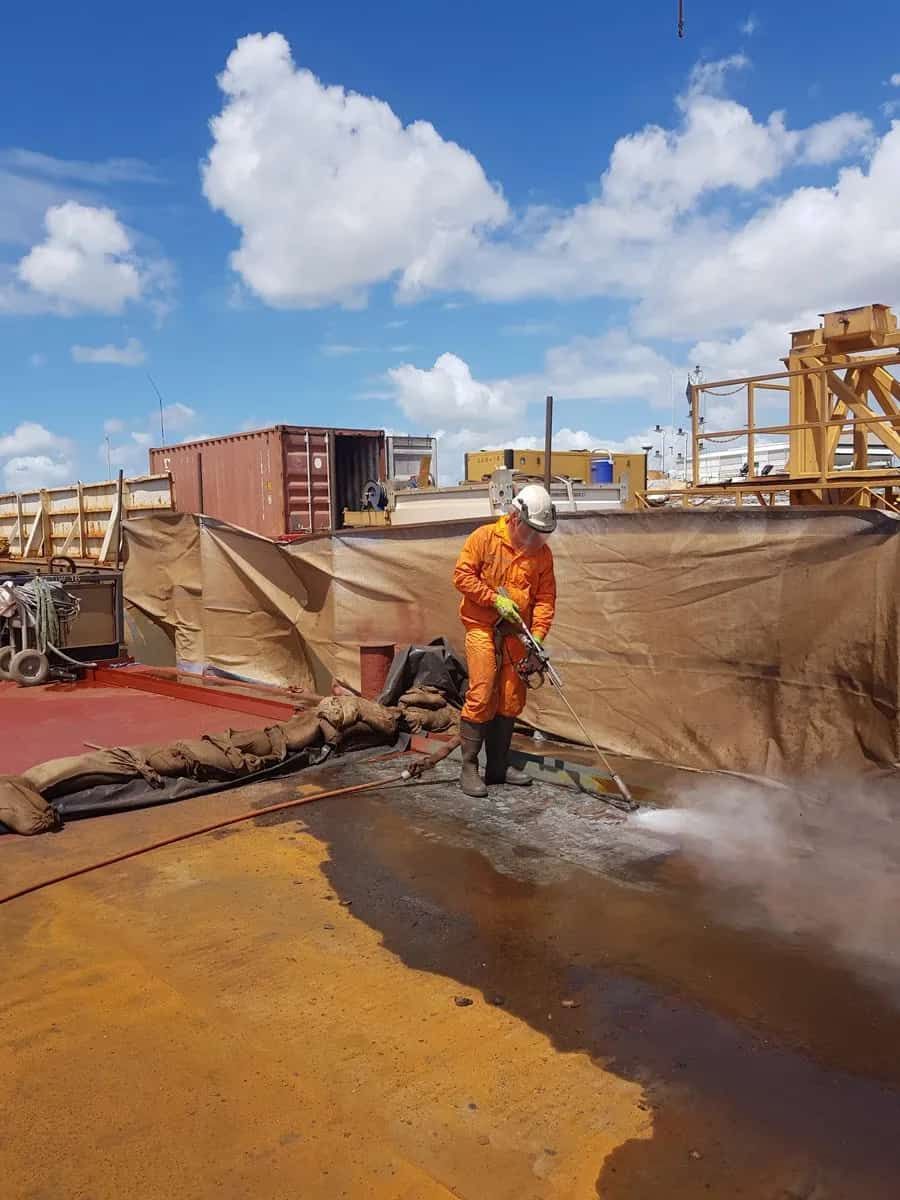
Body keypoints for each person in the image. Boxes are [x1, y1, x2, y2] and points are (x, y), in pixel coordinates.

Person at [452, 483, 557, 797]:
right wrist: (493, 600)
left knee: (511, 698)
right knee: (483, 693)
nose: (535, 538)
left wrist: (536, 637)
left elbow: (545, 599)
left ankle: (497, 766)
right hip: (482, 627)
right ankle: (469, 768)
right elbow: (462, 576)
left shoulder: (542, 554)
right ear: (515, 517)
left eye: (541, 532)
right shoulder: (484, 538)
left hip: (516, 635)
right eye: (532, 531)